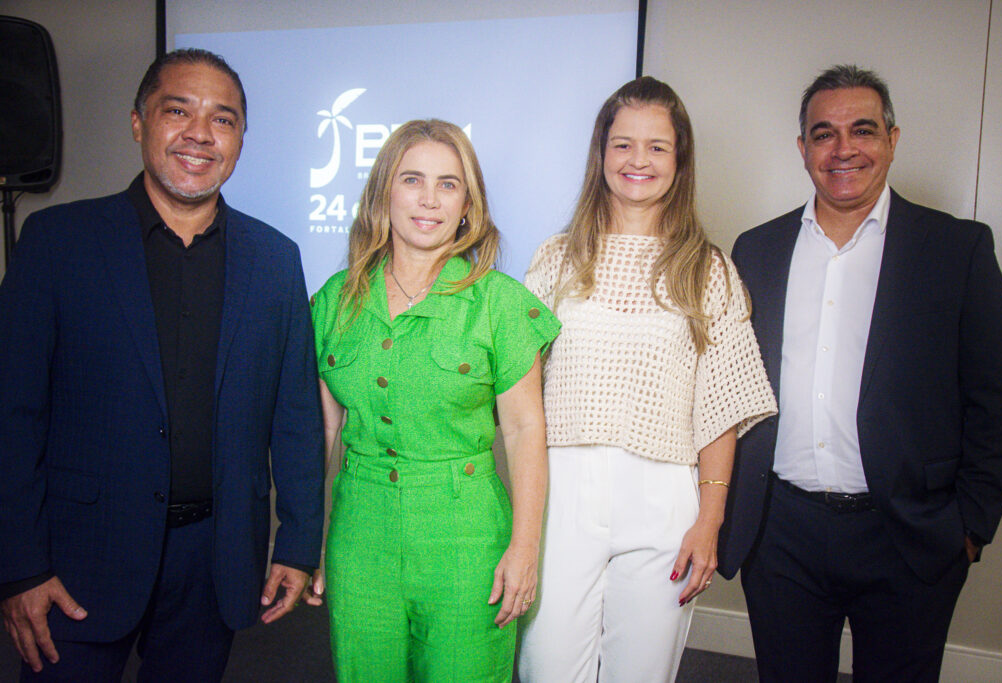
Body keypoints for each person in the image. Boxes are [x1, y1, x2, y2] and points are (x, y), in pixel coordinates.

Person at [0, 48, 324, 682]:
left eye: (223, 119)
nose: (200, 134)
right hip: (75, 560)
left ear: (240, 140)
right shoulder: (56, 242)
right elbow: (13, 411)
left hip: (217, 560)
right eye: (178, 110)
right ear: (138, 122)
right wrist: (20, 566)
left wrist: (296, 543)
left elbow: (295, 418)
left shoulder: (275, 259)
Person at [718, 64, 1002, 681]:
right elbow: (728, 386)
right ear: (803, 148)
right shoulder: (757, 249)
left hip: (909, 534)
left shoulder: (956, 249)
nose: (843, 149)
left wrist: (970, 525)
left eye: (862, 130)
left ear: (891, 138)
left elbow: (999, 398)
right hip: (782, 534)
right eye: (823, 133)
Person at [518, 76, 776, 683]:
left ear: (679, 161)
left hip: (664, 496)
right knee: (547, 668)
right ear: (601, 154)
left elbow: (724, 406)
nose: (639, 160)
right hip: (562, 490)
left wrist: (709, 522)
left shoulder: (708, 270)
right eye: (623, 144)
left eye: (657, 147)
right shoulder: (555, 259)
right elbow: (520, 394)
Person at [304, 119, 558, 682]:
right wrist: (314, 543)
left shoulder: (500, 304)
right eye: (412, 179)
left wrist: (525, 550)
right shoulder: (332, 303)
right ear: (383, 193)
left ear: (469, 203)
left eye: (448, 184)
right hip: (359, 535)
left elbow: (523, 432)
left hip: (466, 539)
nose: (428, 199)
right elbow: (326, 438)